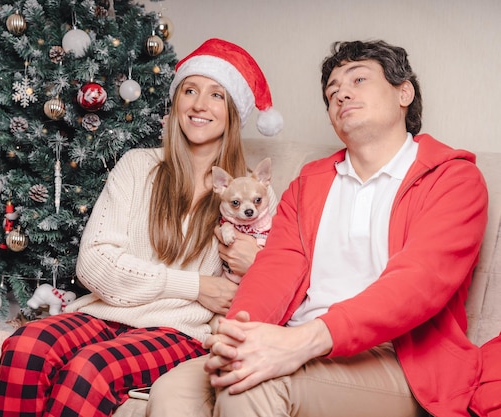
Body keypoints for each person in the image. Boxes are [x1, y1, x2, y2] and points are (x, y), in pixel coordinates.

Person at [147, 40, 488, 417]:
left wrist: (301, 343)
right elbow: (276, 267)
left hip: (400, 362)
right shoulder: (309, 183)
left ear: (403, 92)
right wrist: (239, 333)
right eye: (332, 91)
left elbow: (418, 284)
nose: (341, 92)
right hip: (295, 340)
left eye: (358, 79)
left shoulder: (454, 179)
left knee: (249, 386)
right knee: (171, 391)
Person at [0, 38, 282, 417]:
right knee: (25, 346)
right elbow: (94, 264)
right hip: (101, 313)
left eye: (216, 96)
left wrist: (253, 261)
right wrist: (195, 285)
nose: (198, 105)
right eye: (190, 90)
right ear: (176, 102)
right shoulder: (137, 165)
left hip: (178, 330)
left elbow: (270, 273)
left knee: (89, 370)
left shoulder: (250, 196)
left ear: (233, 113)